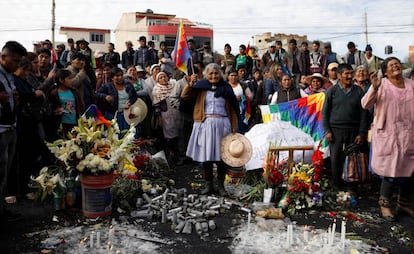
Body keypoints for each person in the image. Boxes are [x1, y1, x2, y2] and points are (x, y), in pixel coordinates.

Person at [361, 57, 414, 221]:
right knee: (390, 171)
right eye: (391, 65)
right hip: (388, 135)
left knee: (409, 170)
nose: (395, 65)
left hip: (408, 135)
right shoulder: (381, 84)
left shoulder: (411, 84)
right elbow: (365, 104)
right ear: (385, 72)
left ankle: (403, 203)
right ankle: (385, 205)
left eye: (397, 63)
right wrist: (374, 88)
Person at [181, 63, 239, 196]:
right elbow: (185, 96)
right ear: (206, 75)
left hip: (223, 124)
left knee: (222, 157)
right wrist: (190, 84)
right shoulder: (200, 87)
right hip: (205, 124)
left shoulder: (226, 88)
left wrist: (234, 127)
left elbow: (233, 109)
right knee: (206, 156)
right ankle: (208, 184)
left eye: (216, 73)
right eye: (211, 73)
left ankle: (220, 185)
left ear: (221, 74)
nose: (214, 76)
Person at [322, 63, 370, 194]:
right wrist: (327, 131)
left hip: (354, 131)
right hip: (335, 131)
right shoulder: (332, 91)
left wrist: (362, 133)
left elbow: (364, 113)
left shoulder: (359, 91)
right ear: (339, 75)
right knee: (336, 159)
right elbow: (324, 113)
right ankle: (338, 188)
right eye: (346, 74)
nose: (350, 76)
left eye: (351, 73)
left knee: (353, 160)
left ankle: (351, 188)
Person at [0, 41, 27, 222]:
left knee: (4, 173)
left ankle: (1, 210)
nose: (18, 65)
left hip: (10, 127)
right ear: (3, 57)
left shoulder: (8, 76)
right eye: (15, 61)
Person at [96, 67, 138, 133]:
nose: (120, 77)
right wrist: (105, 96)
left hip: (126, 114)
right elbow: (96, 94)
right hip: (112, 115)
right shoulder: (107, 86)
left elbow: (135, 96)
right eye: (117, 76)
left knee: (127, 135)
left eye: (121, 75)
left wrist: (130, 102)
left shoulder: (128, 85)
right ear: (112, 78)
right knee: (114, 135)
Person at [152, 71, 181, 164]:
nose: (163, 79)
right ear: (157, 80)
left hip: (176, 112)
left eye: (164, 76)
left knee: (178, 133)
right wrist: (159, 117)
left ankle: (178, 154)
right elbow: (156, 105)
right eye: (160, 78)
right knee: (168, 135)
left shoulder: (174, 86)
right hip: (165, 115)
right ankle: (170, 154)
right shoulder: (156, 89)